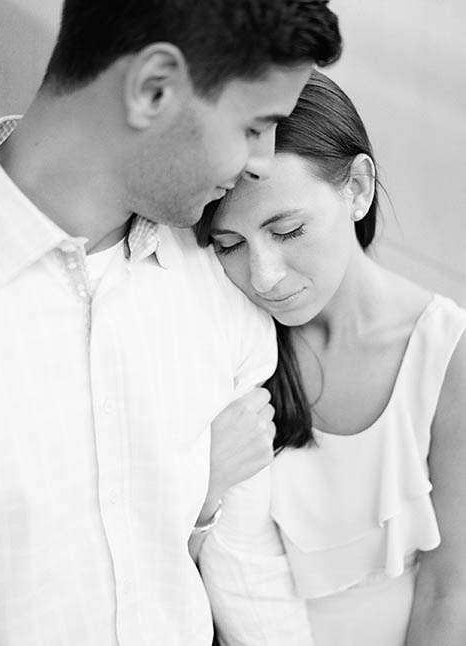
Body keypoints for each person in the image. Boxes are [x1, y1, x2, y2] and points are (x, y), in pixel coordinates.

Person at [0, 1, 342, 643]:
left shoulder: (223, 282)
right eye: (256, 125)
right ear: (154, 89)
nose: (262, 162)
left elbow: (246, 572)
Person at [195, 71, 466, 645]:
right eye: (230, 245)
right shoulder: (230, 346)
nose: (263, 277)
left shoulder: (446, 351)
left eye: (288, 230)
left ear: (358, 188)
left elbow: (451, 590)